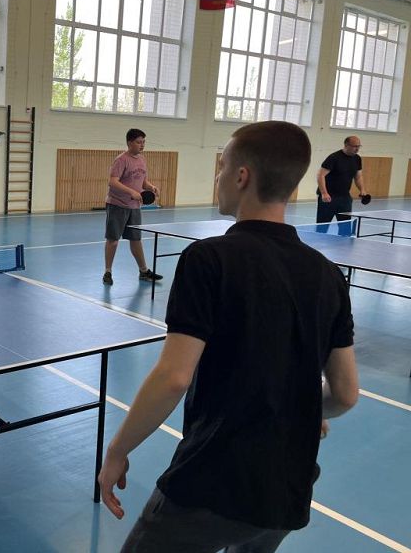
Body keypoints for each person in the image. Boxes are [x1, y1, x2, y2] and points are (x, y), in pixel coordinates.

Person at [97, 121, 359, 552]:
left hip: (212, 481)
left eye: (222, 168)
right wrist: (303, 409)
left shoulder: (207, 259)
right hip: (287, 487)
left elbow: (173, 378)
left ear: (242, 177)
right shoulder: (329, 276)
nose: (217, 177)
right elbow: (345, 394)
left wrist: (117, 450)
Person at [103, 128, 162, 286]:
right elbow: (112, 181)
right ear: (129, 143)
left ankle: (143, 271)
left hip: (134, 207)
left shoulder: (142, 160)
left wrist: (151, 187)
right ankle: (108, 272)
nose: (142, 145)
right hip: (117, 205)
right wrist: (131, 192)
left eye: (143, 142)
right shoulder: (121, 160)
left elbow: (143, 182)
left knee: (136, 239)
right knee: (113, 240)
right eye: (138, 142)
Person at [316, 136, 368, 235]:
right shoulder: (334, 157)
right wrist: (324, 193)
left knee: (345, 228)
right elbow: (320, 175)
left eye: (359, 146)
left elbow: (358, 176)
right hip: (328, 198)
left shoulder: (357, 159)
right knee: (322, 228)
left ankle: (344, 244)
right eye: (354, 146)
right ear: (346, 145)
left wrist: (362, 190)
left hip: (345, 198)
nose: (357, 149)